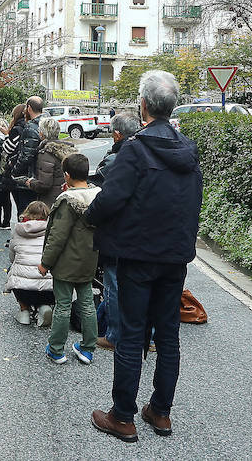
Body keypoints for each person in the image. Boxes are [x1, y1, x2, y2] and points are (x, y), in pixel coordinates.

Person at [87, 70, 203, 442]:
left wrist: (89, 217)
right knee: (167, 334)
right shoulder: (187, 149)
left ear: (143, 106)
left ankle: (122, 416)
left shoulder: (136, 149)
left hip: (137, 254)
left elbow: (111, 199)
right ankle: (161, 412)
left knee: (132, 335)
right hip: (174, 256)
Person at [38, 153, 101, 365]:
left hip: (66, 263)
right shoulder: (99, 197)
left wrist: (45, 262)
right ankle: (88, 348)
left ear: (67, 176)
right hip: (89, 259)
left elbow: (57, 236)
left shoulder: (67, 201)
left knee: (63, 305)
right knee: (87, 304)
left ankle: (56, 349)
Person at [92, 112, 143, 351]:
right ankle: (149, 337)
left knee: (113, 285)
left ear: (116, 134)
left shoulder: (116, 160)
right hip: (148, 233)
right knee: (143, 287)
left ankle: (113, 336)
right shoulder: (149, 152)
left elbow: (103, 196)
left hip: (119, 233)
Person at [5, 201, 54, 327]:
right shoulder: (54, 230)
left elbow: (12, 257)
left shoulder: (18, 230)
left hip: (23, 288)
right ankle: (44, 306)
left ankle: (24, 310)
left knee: (12, 268)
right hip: (49, 286)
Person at [19, 117, 77, 210]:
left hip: (50, 201)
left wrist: (31, 182)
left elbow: (45, 184)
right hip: (67, 196)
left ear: (42, 133)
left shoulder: (46, 154)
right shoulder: (68, 150)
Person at [5, 97, 44, 214]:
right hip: (43, 175)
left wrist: (14, 170)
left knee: (25, 213)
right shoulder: (47, 123)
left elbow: (26, 155)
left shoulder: (31, 127)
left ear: (29, 108)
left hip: (28, 178)